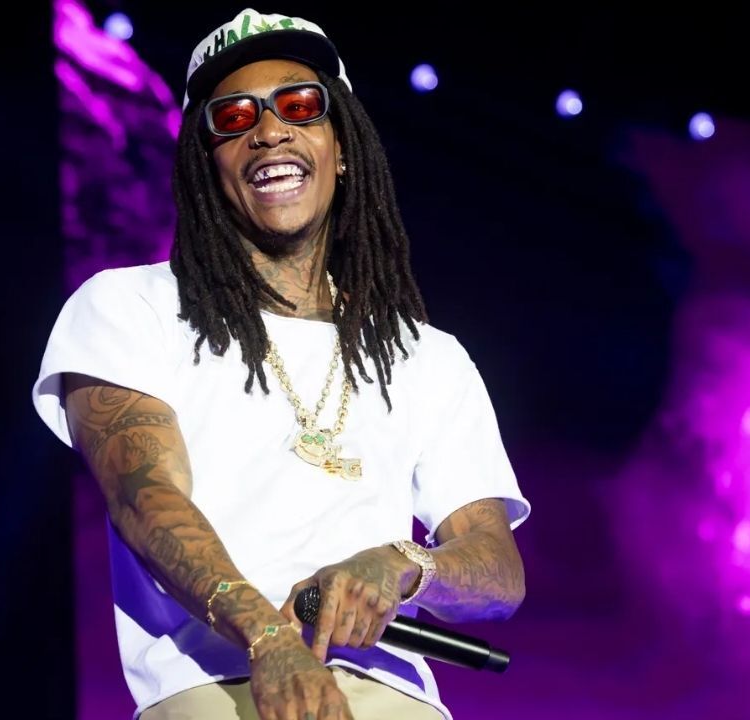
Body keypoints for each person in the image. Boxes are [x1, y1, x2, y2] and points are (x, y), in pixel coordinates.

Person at [32, 9, 531, 719]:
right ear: (206, 166)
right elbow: (147, 497)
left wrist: (403, 564)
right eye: (234, 117)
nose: (269, 131)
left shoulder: (428, 356)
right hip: (219, 687)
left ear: (342, 147)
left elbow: (498, 570)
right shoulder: (130, 307)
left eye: (299, 105)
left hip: (395, 696)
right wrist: (270, 638)